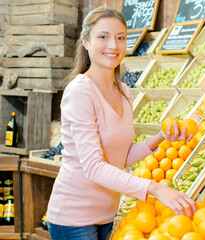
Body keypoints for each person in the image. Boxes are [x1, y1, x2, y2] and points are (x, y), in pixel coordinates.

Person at [47, 6, 197, 240]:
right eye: (103, 37)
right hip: (73, 219)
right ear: (86, 42)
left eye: (120, 38)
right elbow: (94, 167)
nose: (113, 46)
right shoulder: (80, 91)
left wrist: (161, 138)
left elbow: (120, 158)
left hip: (106, 216)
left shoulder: (124, 91)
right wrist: (154, 189)